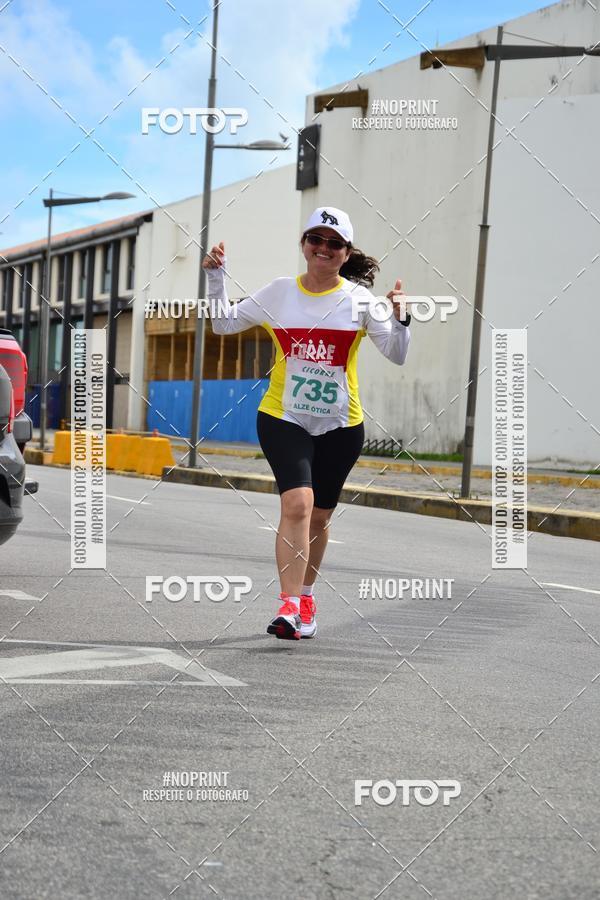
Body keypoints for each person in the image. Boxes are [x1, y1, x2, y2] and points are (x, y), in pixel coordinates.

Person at [202, 206, 411, 641]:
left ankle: (308, 597)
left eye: (334, 244)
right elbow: (222, 323)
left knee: (318, 518)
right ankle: (289, 607)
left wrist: (401, 319)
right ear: (304, 245)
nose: (324, 248)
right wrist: (216, 277)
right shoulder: (280, 293)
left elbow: (396, 353)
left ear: (345, 252)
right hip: (284, 416)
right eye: (316, 239)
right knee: (296, 504)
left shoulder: (359, 301)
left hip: (341, 425)